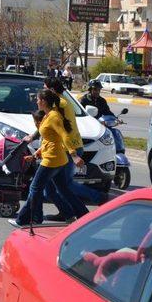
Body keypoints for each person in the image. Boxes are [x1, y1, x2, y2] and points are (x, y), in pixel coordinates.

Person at [10, 90, 88, 227]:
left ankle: (22, 220)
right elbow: (48, 140)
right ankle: (73, 216)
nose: (36, 101)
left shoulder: (54, 117)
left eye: (38, 99)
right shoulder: (47, 115)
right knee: (60, 188)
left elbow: (65, 136)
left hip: (52, 159)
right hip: (56, 158)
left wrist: (74, 156)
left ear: (44, 101)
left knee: (34, 188)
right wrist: (35, 155)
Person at [43, 78, 107, 221]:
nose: (43, 92)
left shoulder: (60, 104)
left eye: (45, 88)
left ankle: (96, 198)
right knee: (50, 188)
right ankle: (66, 212)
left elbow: (62, 131)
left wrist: (72, 154)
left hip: (68, 148)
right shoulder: (60, 103)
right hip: (63, 148)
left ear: (52, 90)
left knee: (64, 185)